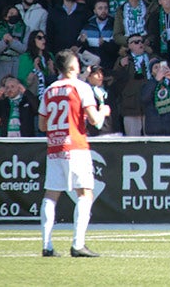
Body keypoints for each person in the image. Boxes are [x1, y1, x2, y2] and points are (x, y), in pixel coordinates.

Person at [39, 49, 111, 258]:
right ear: (72, 67)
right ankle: (78, 244)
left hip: (54, 147)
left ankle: (47, 245)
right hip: (76, 145)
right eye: (76, 62)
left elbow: (42, 125)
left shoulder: (50, 90)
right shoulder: (81, 87)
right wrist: (103, 111)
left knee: (51, 195)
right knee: (84, 192)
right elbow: (95, 121)